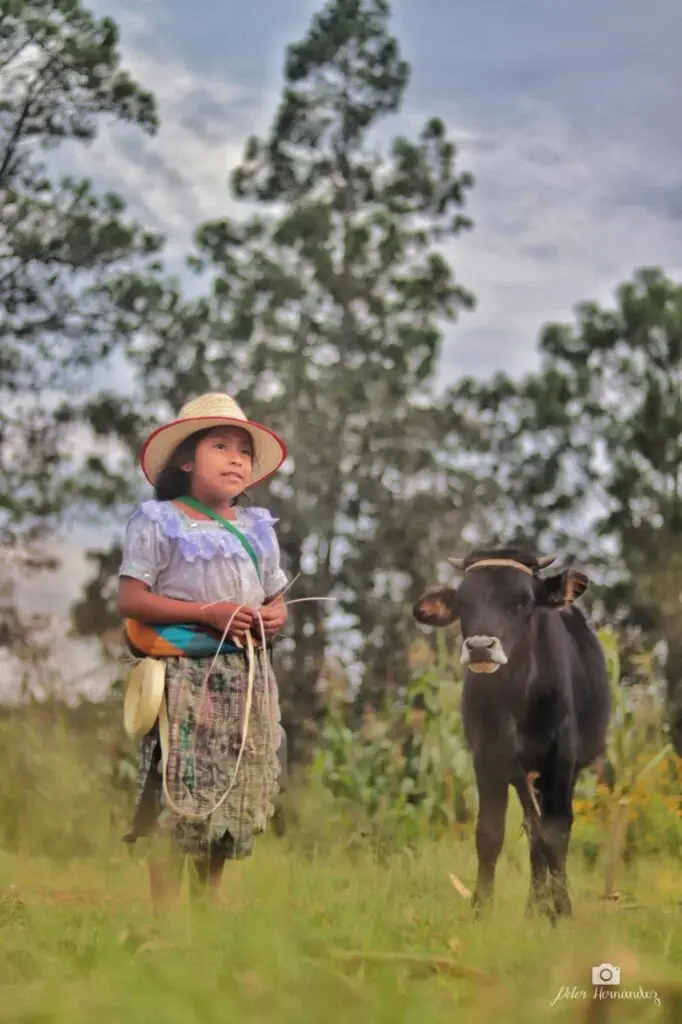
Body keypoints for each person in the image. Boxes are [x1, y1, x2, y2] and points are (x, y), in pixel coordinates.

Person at [116, 392, 289, 912]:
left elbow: (275, 598)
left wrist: (276, 615)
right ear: (186, 459)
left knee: (229, 790)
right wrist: (207, 613)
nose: (236, 458)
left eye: (243, 450)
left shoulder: (258, 529)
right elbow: (130, 598)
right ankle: (166, 922)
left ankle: (207, 912)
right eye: (221, 446)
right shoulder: (158, 520)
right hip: (181, 675)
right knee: (179, 789)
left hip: (244, 677)